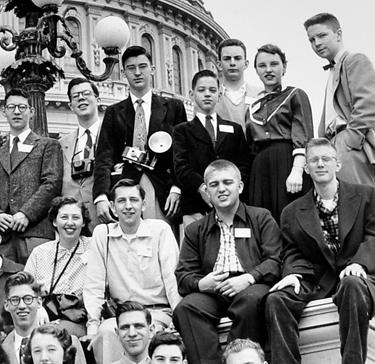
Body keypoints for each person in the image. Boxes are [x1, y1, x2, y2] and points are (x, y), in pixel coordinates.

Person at [265, 138, 375, 364]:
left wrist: (360, 264)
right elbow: (292, 251)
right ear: (306, 168)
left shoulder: (367, 196)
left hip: (363, 277)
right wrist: (293, 274)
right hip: (318, 280)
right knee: (277, 299)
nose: (320, 164)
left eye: (325, 159)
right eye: (313, 160)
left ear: (338, 164)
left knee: (352, 284)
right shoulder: (291, 212)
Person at [173, 160, 281, 364]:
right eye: (214, 185)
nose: (221, 189)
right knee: (186, 308)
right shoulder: (196, 229)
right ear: (206, 191)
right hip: (214, 290)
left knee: (252, 301)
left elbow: (276, 260)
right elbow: (183, 276)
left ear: (239, 186)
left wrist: (250, 277)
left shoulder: (261, 218)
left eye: (227, 183)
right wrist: (202, 283)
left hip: (250, 284)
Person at [83, 179, 180, 364]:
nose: (128, 206)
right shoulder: (103, 234)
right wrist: (92, 326)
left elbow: (172, 280)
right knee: (106, 332)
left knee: (145, 332)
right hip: (121, 315)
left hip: (156, 312)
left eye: (134, 200)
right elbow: (94, 284)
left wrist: (179, 320)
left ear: (143, 204)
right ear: (113, 206)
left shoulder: (160, 230)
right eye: (121, 201)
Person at [93, 45, 187, 230]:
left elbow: (182, 153)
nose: (137, 72)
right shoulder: (114, 112)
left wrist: (177, 187)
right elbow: (104, 157)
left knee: (160, 240)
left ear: (152, 69)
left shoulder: (173, 108)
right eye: (131, 68)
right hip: (124, 189)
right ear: (123, 73)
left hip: (161, 190)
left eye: (142, 66)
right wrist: (101, 196)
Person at [305, 12, 375, 187]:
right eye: (312, 40)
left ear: (338, 34)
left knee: (356, 199)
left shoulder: (354, 60)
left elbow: (367, 105)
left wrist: (350, 141)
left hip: (349, 145)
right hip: (333, 146)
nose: (317, 43)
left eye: (322, 35)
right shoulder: (333, 70)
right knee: (338, 202)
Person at [0, 88, 63, 264]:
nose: (17, 111)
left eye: (22, 107)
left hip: (36, 233)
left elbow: (51, 184)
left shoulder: (48, 146)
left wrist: (26, 213)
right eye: (11, 107)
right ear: (4, 112)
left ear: (31, 111)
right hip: (4, 239)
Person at [245, 43, 314, 222]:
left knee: (290, 219)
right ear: (256, 70)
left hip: (288, 162)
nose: (268, 70)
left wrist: (297, 170)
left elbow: (303, 134)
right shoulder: (252, 108)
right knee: (264, 222)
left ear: (284, 67)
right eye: (262, 65)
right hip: (261, 169)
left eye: (274, 64)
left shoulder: (295, 95)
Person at [173, 70, 251, 226]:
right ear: (192, 94)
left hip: (231, 206)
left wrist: (230, 188)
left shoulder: (235, 129)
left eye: (212, 90)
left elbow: (244, 164)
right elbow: (181, 167)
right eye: (201, 90)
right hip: (195, 206)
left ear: (219, 95)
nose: (207, 94)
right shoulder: (182, 131)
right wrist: (202, 188)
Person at [1, 271, 88, 364]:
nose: (21, 306)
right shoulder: (0, 349)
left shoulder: (67, 342)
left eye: (28, 299)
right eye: (15, 299)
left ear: (39, 302)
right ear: (6, 305)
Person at [24, 197, 91, 338]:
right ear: (55, 221)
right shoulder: (40, 253)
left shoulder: (94, 248)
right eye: (64, 217)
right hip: (43, 317)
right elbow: (25, 289)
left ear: (84, 222)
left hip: (79, 320)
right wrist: (37, 307)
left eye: (76, 217)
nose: (70, 223)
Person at [60, 77, 103, 227]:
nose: (81, 98)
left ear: (98, 100)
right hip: (72, 223)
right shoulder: (62, 144)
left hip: (104, 216)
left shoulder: (112, 135)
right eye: (75, 96)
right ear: (71, 106)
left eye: (86, 93)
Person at [214, 39, 262, 131]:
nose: (232, 63)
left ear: (246, 64)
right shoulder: (211, 99)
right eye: (227, 59)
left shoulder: (261, 96)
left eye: (237, 58)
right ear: (219, 65)